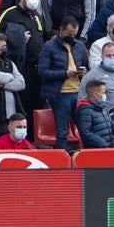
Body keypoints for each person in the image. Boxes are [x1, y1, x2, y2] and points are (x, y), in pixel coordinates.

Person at [39, 18, 88, 150]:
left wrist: (84, 72)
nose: (72, 37)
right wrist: (65, 73)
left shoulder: (80, 45)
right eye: (69, 33)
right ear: (61, 30)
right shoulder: (48, 47)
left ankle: (87, 156)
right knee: (62, 131)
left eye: (74, 34)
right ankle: (63, 159)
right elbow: (43, 72)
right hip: (60, 94)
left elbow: (86, 66)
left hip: (79, 93)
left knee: (85, 127)